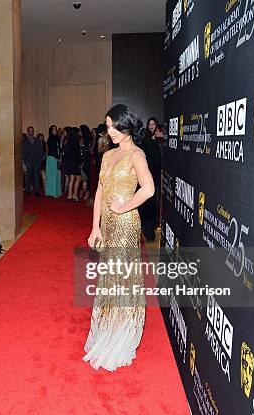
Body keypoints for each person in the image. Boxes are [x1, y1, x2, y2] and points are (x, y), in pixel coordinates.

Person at [85, 104, 154, 371]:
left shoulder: (137, 154)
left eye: (114, 126)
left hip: (125, 225)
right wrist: (95, 227)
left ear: (126, 127)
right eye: (108, 126)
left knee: (123, 281)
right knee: (109, 278)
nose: (109, 131)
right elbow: (100, 193)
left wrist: (124, 206)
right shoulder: (108, 155)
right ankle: (108, 330)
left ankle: (121, 337)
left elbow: (148, 189)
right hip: (107, 224)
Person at [22, 126, 43, 196]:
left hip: (36, 162)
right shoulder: (24, 142)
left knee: (36, 177)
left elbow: (40, 151)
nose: (31, 132)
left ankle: (37, 191)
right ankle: (27, 190)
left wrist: (40, 161)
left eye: (32, 130)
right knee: (28, 177)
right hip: (28, 161)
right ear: (27, 132)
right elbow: (23, 153)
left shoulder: (37, 140)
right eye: (30, 131)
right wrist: (23, 163)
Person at [63, 127, 82, 202]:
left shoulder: (68, 141)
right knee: (78, 178)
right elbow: (77, 153)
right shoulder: (76, 141)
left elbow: (66, 152)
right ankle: (75, 196)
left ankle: (69, 195)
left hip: (69, 162)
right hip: (74, 162)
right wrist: (80, 162)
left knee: (72, 178)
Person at [44, 125, 61, 197]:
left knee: (56, 175)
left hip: (55, 158)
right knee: (51, 176)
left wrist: (59, 157)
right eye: (54, 129)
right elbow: (52, 150)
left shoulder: (57, 138)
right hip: (51, 158)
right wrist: (57, 157)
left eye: (56, 129)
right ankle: (51, 192)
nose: (55, 130)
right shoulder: (50, 139)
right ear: (51, 130)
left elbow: (58, 149)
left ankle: (56, 192)